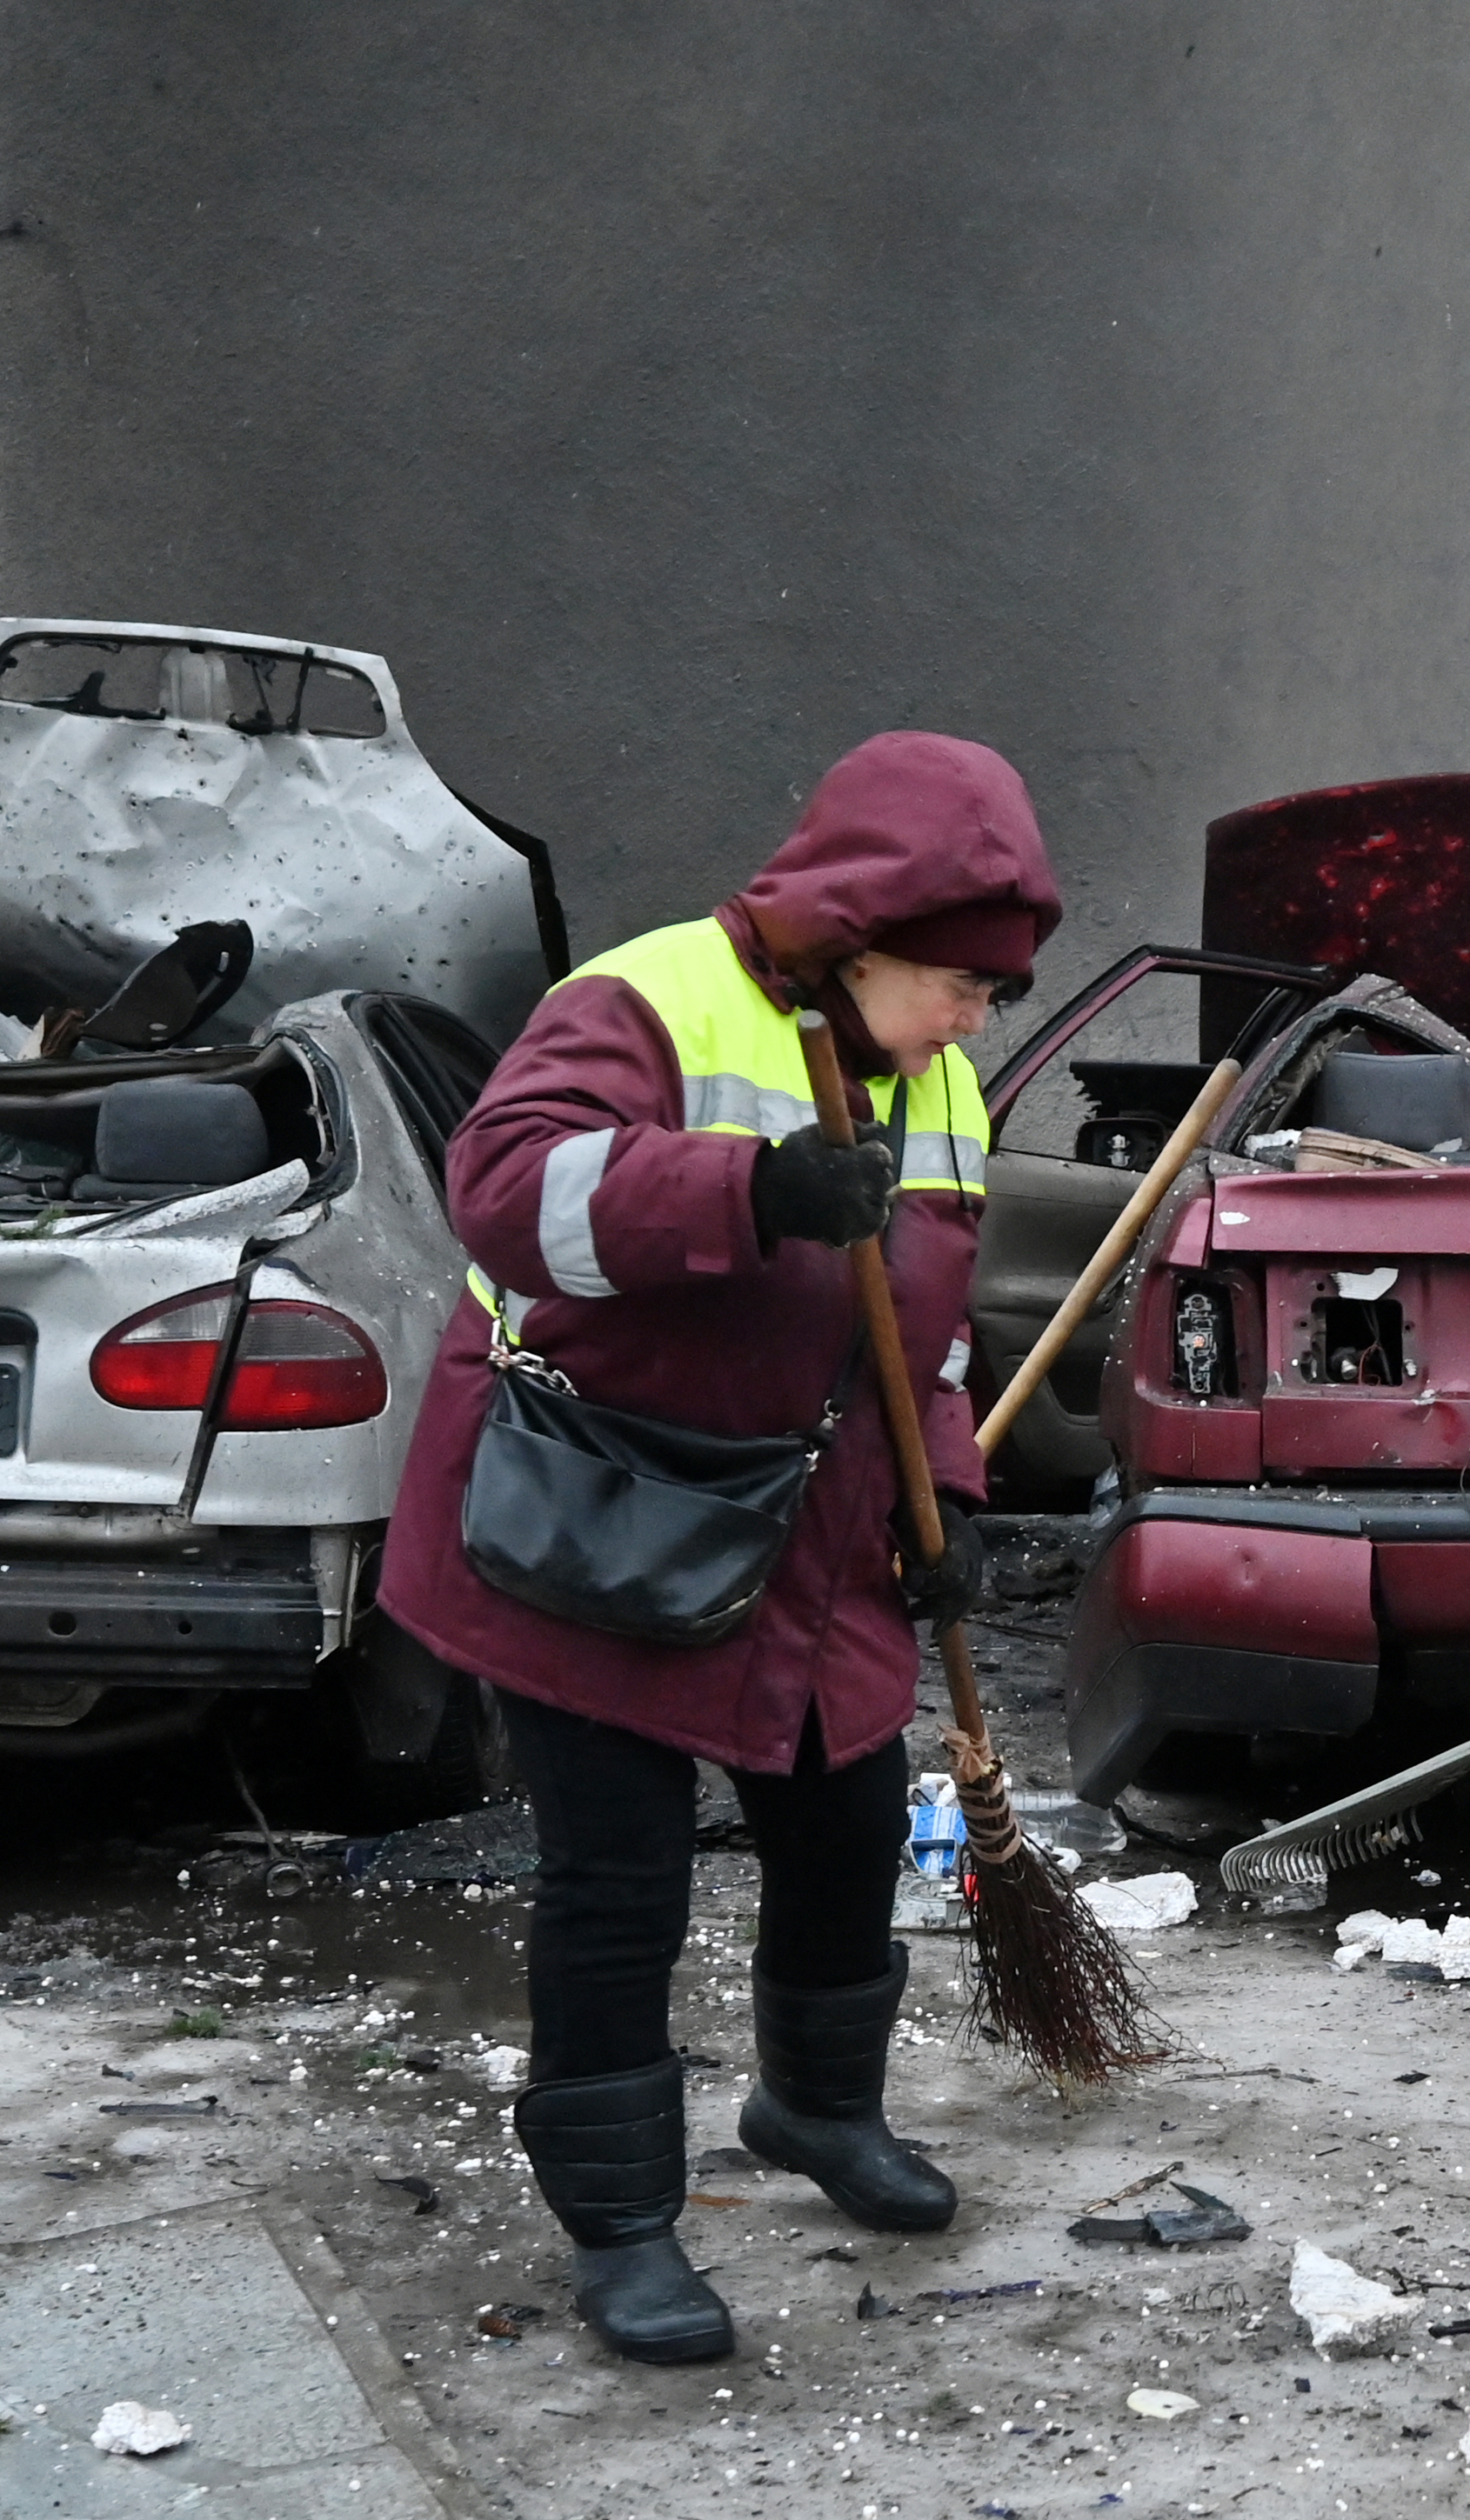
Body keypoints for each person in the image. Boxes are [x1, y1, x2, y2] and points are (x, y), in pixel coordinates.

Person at [378, 730, 1053, 2363]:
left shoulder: (935, 1075)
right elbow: (505, 1194)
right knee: (622, 1878)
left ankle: (815, 2107)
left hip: (807, 1534)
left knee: (846, 1824)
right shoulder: (651, 999)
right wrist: (746, 1191)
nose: (976, 1022)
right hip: (601, 1512)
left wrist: (938, 1505)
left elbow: (931, 1337)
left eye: (993, 994)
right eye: (957, 985)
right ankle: (620, 2225)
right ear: (853, 936)